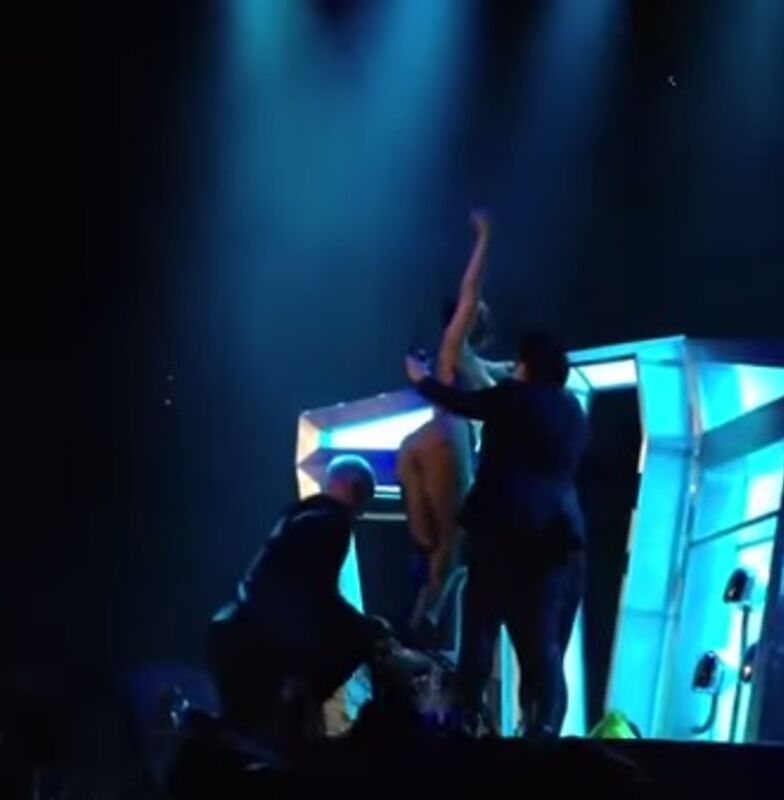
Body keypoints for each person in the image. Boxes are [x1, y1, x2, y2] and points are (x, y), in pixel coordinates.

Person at [406, 331, 588, 738]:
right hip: (558, 541)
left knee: (478, 639)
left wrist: (421, 379)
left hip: (504, 543)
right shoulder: (572, 411)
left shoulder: (512, 398)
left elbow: (464, 402)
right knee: (544, 652)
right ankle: (542, 732)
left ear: (527, 365)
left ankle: (469, 729)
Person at [206, 455, 408, 750]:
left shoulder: (298, 516)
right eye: (364, 499)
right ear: (351, 487)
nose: (361, 513)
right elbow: (315, 596)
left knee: (244, 736)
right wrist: (368, 628)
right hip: (260, 640)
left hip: (236, 628)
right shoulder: (332, 523)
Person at [396, 210, 509, 643]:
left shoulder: (471, 361)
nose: (482, 309)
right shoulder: (454, 347)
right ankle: (420, 630)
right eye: (476, 308)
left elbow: (505, 374)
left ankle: (420, 624)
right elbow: (470, 290)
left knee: (437, 552)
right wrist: (485, 238)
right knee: (451, 546)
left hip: (427, 440)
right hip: (447, 437)